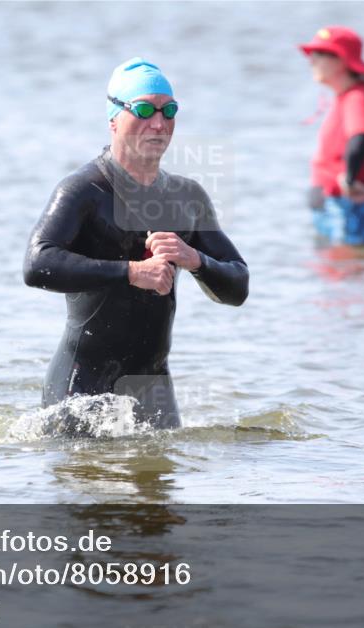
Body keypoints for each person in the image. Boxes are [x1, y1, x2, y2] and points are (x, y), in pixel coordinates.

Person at [23, 57, 249, 431]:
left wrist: (195, 260)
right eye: (143, 110)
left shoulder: (185, 197)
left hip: (152, 386)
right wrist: (130, 272)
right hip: (81, 386)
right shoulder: (84, 190)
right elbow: (37, 264)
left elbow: (237, 286)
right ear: (114, 118)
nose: (158, 123)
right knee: (86, 483)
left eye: (168, 111)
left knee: (161, 487)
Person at [299, 26, 364, 246]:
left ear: (340, 60)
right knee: (335, 268)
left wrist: (349, 178)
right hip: (333, 204)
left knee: (346, 271)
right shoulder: (347, 96)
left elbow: (361, 137)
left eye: (318, 55)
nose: (311, 61)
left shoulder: (357, 97)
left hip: (345, 206)